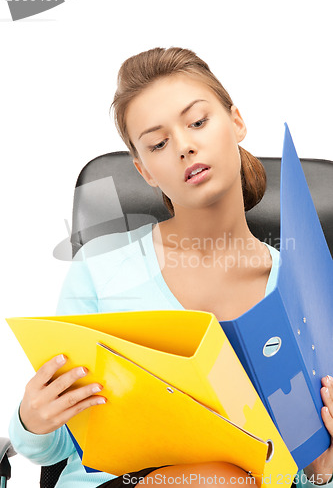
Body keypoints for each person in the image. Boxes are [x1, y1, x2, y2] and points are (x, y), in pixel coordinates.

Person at [9, 47, 333, 488]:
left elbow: (310, 476)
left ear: (236, 121)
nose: (184, 146)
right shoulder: (99, 272)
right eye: (158, 143)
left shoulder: (307, 292)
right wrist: (33, 420)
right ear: (145, 170)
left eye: (198, 122)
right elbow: (60, 446)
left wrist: (323, 470)